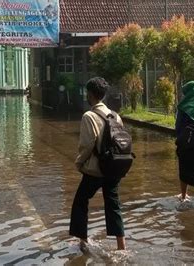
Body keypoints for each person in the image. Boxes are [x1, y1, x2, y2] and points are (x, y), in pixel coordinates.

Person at [69, 77, 126, 250]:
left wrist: (79, 164)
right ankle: (121, 245)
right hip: (114, 169)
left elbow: (87, 145)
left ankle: (83, 241)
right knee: (113, 204)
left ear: (91, 94)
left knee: (80, 201)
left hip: (95, 170)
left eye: (87, 93)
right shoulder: (116, 116)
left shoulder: (89, 116)